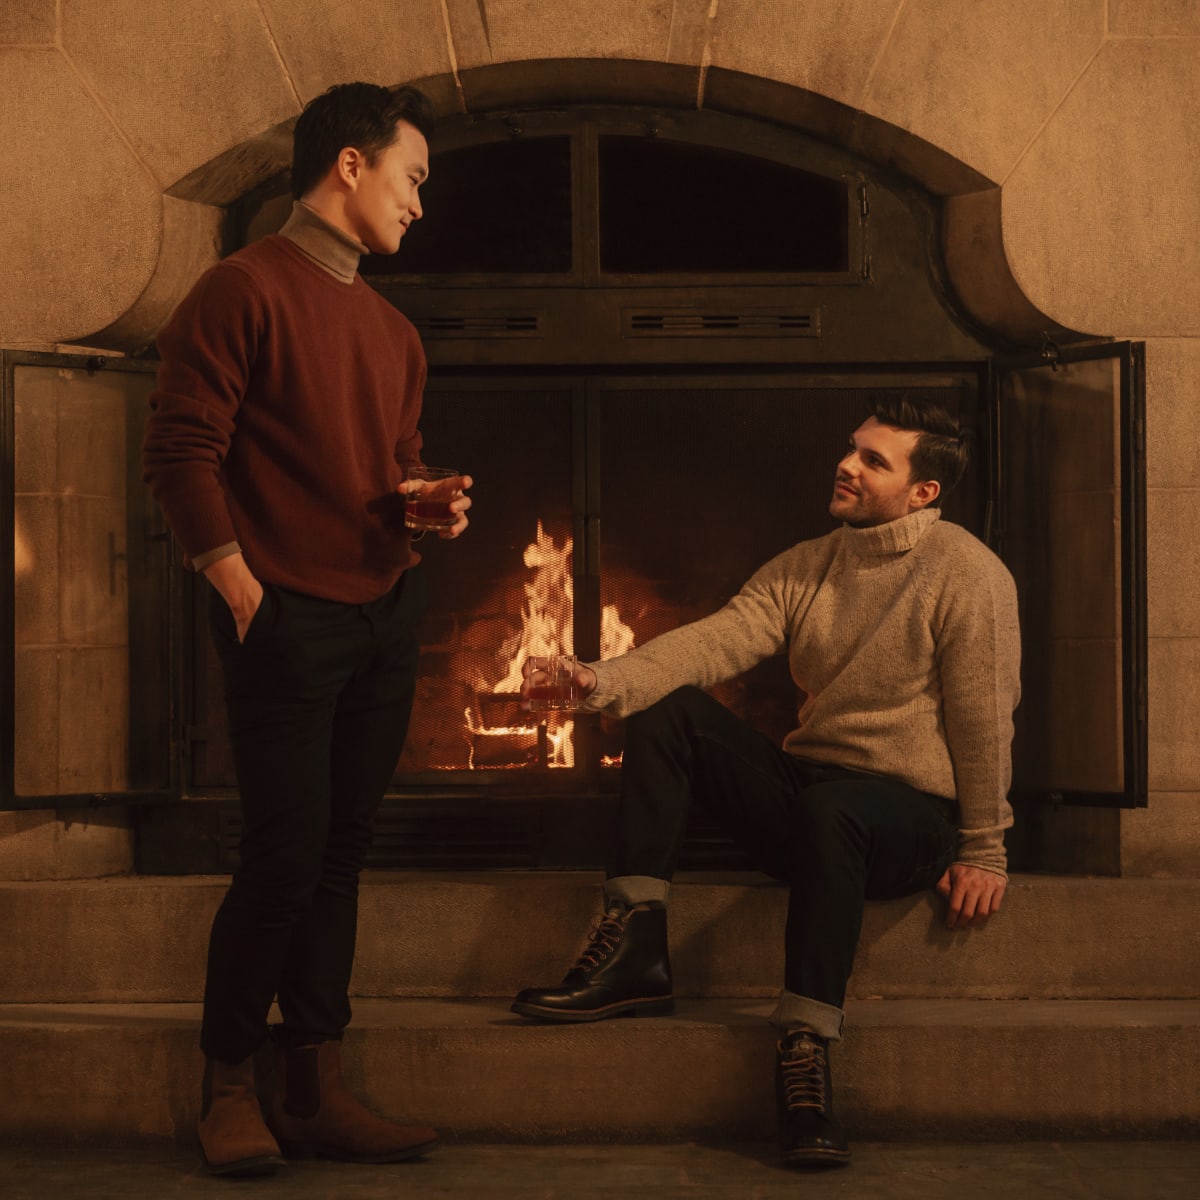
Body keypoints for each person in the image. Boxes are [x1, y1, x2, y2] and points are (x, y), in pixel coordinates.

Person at [511, 396, 1019, 1168]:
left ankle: (805, 1050)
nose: (846, 465)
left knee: (837, 808)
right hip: (812, 798)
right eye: (851, 448)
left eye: (873, 461)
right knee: (668, 708)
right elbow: (715, 641)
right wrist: (599, 679)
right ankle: (636, 949)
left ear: (923, 492)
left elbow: (984, 718)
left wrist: (985, 847)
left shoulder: (968, 573)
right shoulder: (811, 564)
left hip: (907, 817)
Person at [143, 82, 470, 1177]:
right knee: (285, 858)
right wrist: (238, 585)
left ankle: (315, 1086)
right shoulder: (240, 289)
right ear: (350, 164)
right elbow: (180, 449)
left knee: (340, 855)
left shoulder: (393, 332)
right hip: (285, 616)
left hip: (385, 613)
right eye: (411, 177)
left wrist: (424, 500)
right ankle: (229, 1086)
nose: (419, 202)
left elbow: (389, 466)